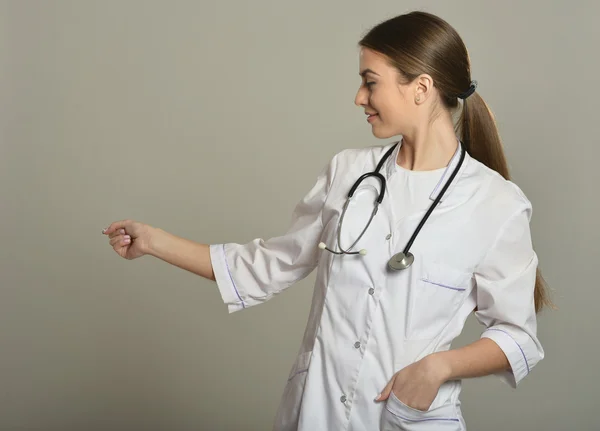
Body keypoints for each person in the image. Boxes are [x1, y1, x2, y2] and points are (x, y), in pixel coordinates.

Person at [102, 11, 551, 431]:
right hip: (317, 412)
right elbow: (267, 266)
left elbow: (518, 336)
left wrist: (439, 367)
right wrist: (154, 241)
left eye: (369, 82)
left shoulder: (495, 203)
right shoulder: (348, 173)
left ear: (421, 87)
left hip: (407, 417)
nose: (359, 97)